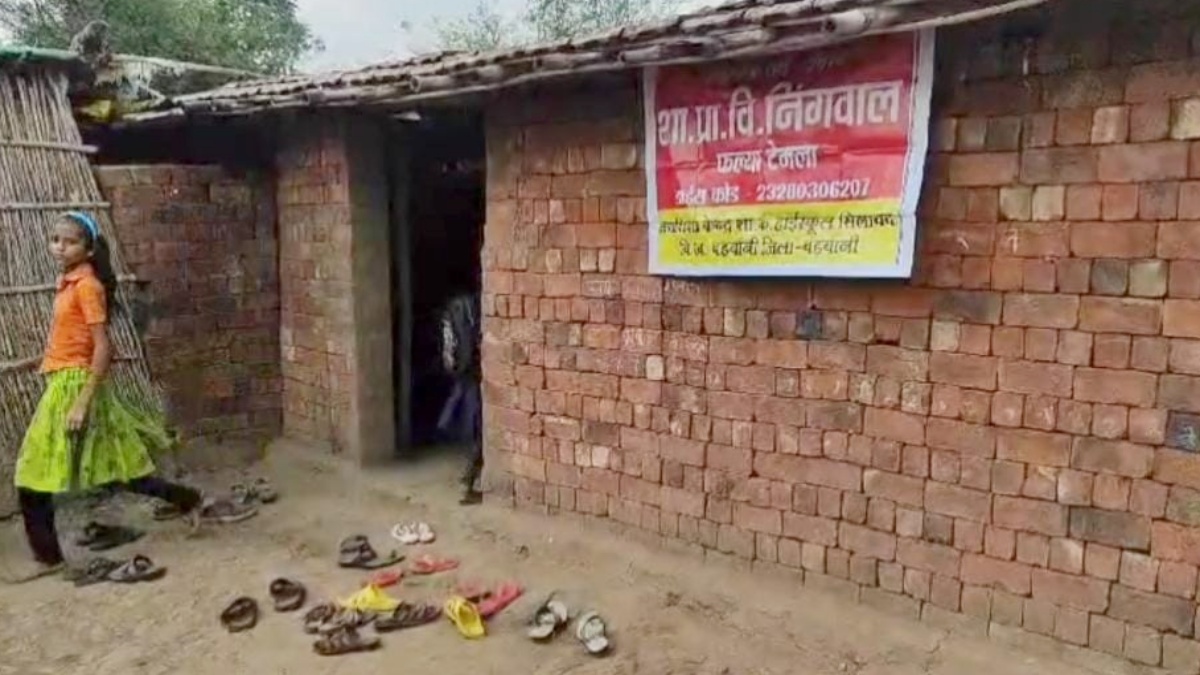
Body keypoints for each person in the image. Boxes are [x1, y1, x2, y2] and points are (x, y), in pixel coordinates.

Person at [11, 212, 202, 581]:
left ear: (87, 248)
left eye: (69, 242)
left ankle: (47, 559)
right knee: (120, 469)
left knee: (31, 475)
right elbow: (73, 342)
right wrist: (44, 361)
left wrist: (82, 401)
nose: (59, 247)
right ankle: (187, 499)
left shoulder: (87, 287)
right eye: (55, 239)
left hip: (75, 389)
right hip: (66, 381)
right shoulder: (68, 283)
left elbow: (102, 348)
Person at [435, 290, 482, 505]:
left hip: (464, 373)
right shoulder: (473, 306)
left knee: (468, 420)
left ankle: (469, 478)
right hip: (473, 374)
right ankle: (468, 482)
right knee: (476, 428)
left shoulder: (454, 309)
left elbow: (452, 352)